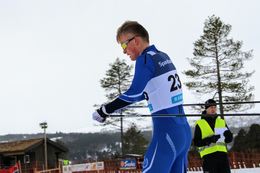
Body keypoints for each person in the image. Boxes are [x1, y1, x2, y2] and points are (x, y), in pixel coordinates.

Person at [92, 21, 192, 173]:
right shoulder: (163, 56)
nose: (124, 51)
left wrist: (104, 111)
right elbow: (150, 91)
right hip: (183, 133)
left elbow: (135, 93)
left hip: (167, 135)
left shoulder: (144, 59)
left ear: (136, 41)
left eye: (124, 45)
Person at [193, 99, 233, 173]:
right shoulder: (200, 123)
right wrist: (210, 139)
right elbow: (196, 142)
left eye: (215, 107)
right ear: (206, 109)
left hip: (223, 157)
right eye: (211, 107)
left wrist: (229, 137)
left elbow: (229, 139)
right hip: (209, 158)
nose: (213, 109)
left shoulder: (221, 121)